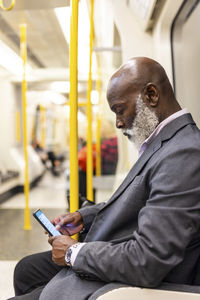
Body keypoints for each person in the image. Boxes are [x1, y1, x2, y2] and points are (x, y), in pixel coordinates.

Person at [10, 57, 200, 300]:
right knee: (26, 270)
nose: (119, 122)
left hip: (139, 280)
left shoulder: (183, 154)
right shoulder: (163, 144)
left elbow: (147, 260)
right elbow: (140, 204)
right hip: (118, 248)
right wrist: (84, 217)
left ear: (151, 95)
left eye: (120, 110)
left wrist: (73, 253)